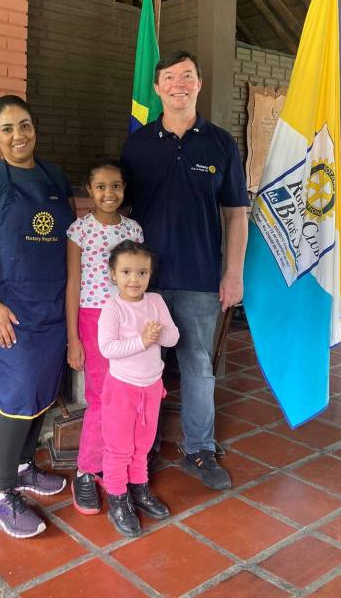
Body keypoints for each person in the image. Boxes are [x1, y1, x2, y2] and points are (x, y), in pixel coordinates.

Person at [120, 51, 249, 490]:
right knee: (142, 367)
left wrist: (233, 274)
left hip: (199, 279)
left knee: (198, 368)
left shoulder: (221, 144)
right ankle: (141, 447)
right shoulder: (137, 145)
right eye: (170, 77)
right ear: (157, 88)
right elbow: (120, 209)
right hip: (143, 284)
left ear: (199, 84)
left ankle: (199, 449)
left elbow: (236, 214)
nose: (179, 83)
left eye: (188, 76)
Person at [0, 95, 75, 539]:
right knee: (15, 396)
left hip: (50, 305)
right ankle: (2, 495)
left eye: (24, 125)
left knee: (41, 390)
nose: (18, 135)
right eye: (7, 129)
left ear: (34, 127)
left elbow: (66, 239)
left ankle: (24, 467)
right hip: (7, 309)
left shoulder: (54, 176)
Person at [66, 159, 143, 515]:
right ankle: (86, 469)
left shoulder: (134, 231)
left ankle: (117, 464)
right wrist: (73, 338)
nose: (109, 193)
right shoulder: (79, 231)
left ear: (124, 189)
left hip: (128, 320)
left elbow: (139, 281)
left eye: (116, 186)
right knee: (100, 397)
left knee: (127, 394)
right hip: (93, 318)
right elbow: (73, 284)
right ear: (89, 190)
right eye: (101, 186)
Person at [98, 240, 179, 537]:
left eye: (142, 273)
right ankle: (118, 499)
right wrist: (142, 341)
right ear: (113, 274)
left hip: (151, 387)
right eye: (126, 272)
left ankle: (139, 489)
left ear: (150, 274)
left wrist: (157, 334)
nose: (134, 279)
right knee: (119, 448)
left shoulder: (155, 301)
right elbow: (107, 348)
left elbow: (173, 337)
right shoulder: (113, 308)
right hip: (122, 389)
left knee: (143, 445)